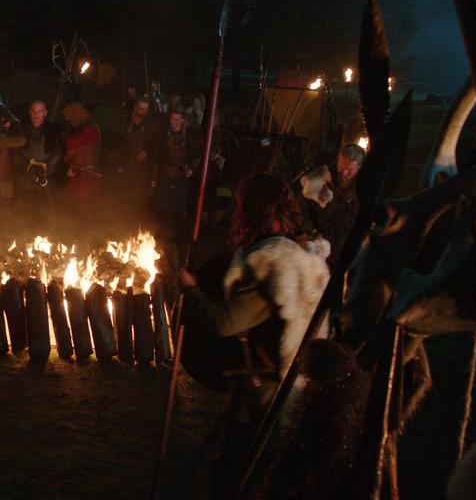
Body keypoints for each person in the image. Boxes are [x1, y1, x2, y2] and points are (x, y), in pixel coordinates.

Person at [178, 172, 330, 495]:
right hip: (293, 379)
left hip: (267, 387)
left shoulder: (270, 261)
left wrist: (191, 292)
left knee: (247, 468)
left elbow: (226, 322)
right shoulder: (304, 253)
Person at [299, 143, 364, 267]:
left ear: (359, 167)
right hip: (314, 248)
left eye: (350, 170)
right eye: (340, 166)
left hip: (342, 255)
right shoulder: (321, 177)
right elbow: (303, 206)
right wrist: (309, 230)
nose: (344, 173)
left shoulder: (364, 191)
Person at [151, 108, 195, 243]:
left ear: (182, 120)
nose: (173, 122)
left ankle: (182, 239)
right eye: (171, 119)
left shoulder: (189, 135)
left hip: (181, 176)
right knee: (163, 207)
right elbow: (157, 156)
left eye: (176, 120)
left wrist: (191, 168)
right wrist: (154, 177)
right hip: (165, 174)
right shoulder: (164, 134)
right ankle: (163, 237)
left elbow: (196, 154)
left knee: (180, 209)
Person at [61, 101, 102, 216]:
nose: (67, 119)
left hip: (87, 175)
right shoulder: (80, 128)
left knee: (85, 209)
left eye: (68, 116)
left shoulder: (90, 129)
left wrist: (63, 136)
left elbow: (71, 144)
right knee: (75, 208)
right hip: (78, 174)